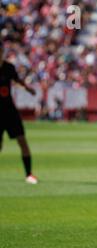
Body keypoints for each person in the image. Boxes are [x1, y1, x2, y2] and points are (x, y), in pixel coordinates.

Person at [0, 41, 38, 184]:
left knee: (22, 141)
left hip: (10, 111)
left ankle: (29, 174)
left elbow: (17, 80)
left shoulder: (9, 68)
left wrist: (28, 89)